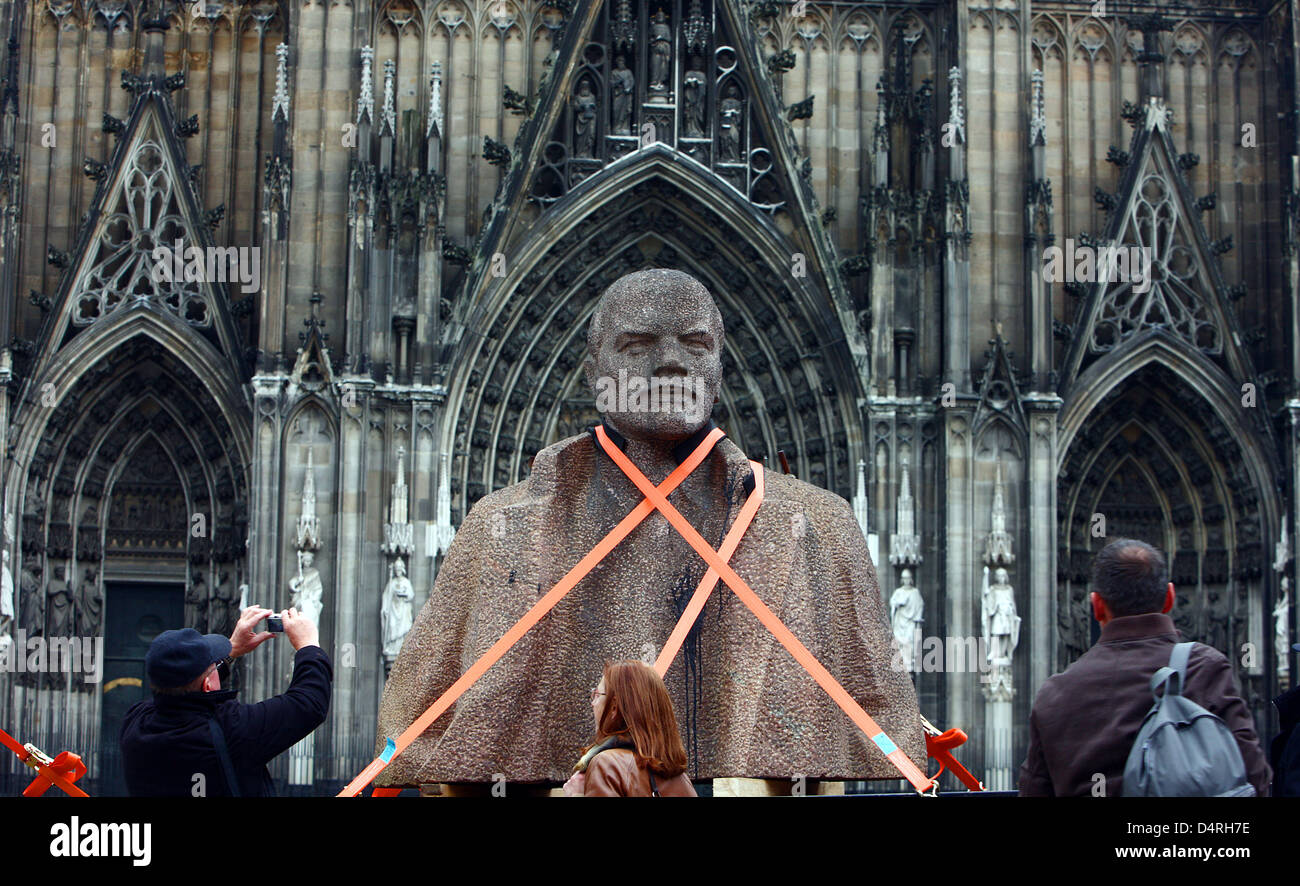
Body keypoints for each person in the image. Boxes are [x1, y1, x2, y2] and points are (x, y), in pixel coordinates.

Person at [376, 269, 922, 787]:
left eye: (695, 344)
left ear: (721, 369)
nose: (669, 365)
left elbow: (879, 712)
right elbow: (417, 731)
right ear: (593, 373)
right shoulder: (500, 529)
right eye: (638, 346)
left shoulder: (819, 528)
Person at [1018, 538, 1269, 797]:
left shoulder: (1055, 694)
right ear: (1169, 598)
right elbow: (1253, 779)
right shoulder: (1206, 669)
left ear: (1097, 605)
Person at [119, 605, 332, 797]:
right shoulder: (231, 730)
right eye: (213, 665)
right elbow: (308, 704)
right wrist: (308, 646)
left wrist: (231, 652)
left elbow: (180, 694)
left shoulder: (135, 724)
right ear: (208, 685)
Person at [563, 660, 696, 797]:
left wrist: (576, 794)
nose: (593, 703)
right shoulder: (679, 777)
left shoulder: (607, 765)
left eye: (597, 695)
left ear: (614, 707)